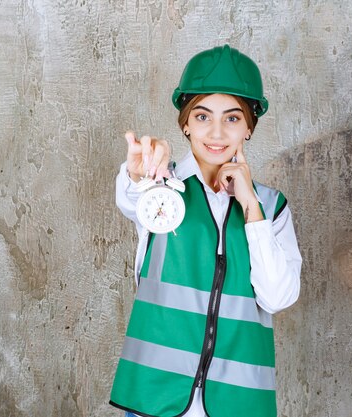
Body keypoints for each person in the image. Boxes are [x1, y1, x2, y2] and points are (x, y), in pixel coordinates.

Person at [111, 44, 302, 417]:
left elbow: (277, 297)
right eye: (202, 116)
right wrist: (139, 172)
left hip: (238, 404)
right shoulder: (162, 188)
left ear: (249, 126)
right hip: (156, 399)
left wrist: (251, 208)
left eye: (232, 118)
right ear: (185, 123)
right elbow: (132, 198)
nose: (216, 132)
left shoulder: (270, 207)